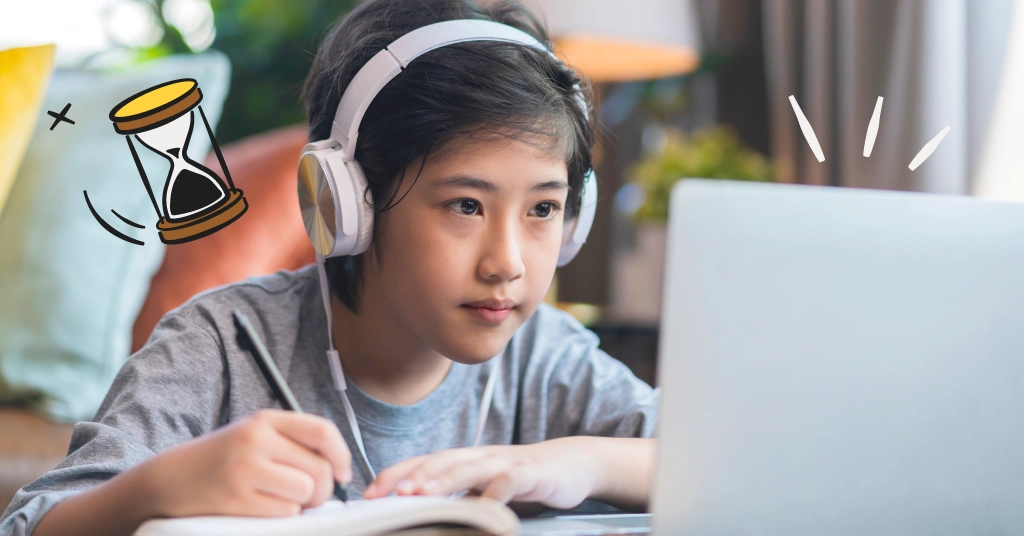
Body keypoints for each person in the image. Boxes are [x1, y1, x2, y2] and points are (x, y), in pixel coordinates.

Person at [0, 1, 659, 535]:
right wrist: (163, 486)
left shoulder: (547, 359)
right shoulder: (219, 347)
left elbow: (726, 467)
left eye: (544, 209)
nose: (508, 263)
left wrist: (577, 462)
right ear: (345, 205)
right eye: (465, 205)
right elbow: (32, 526)